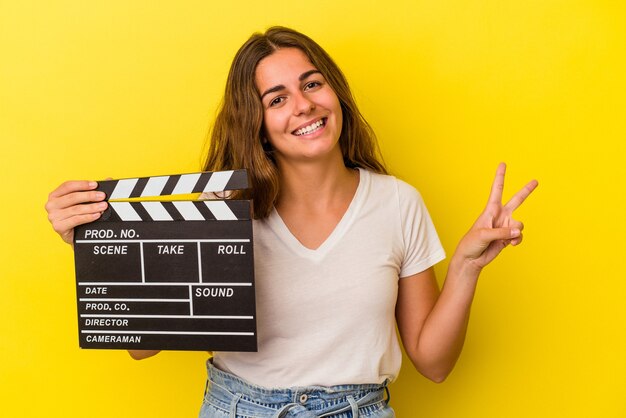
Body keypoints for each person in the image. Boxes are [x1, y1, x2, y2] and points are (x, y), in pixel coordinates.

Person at [45, 26, 538, 418]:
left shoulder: (396, 204)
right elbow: (143, 348)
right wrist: (103, 245)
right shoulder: (221, 209)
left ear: (335, 92)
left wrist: (467, 267)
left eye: (312, 83)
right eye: (276, 98)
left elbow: (433, 363)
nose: (303, 105)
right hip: (238, 409)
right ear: (255, 123)